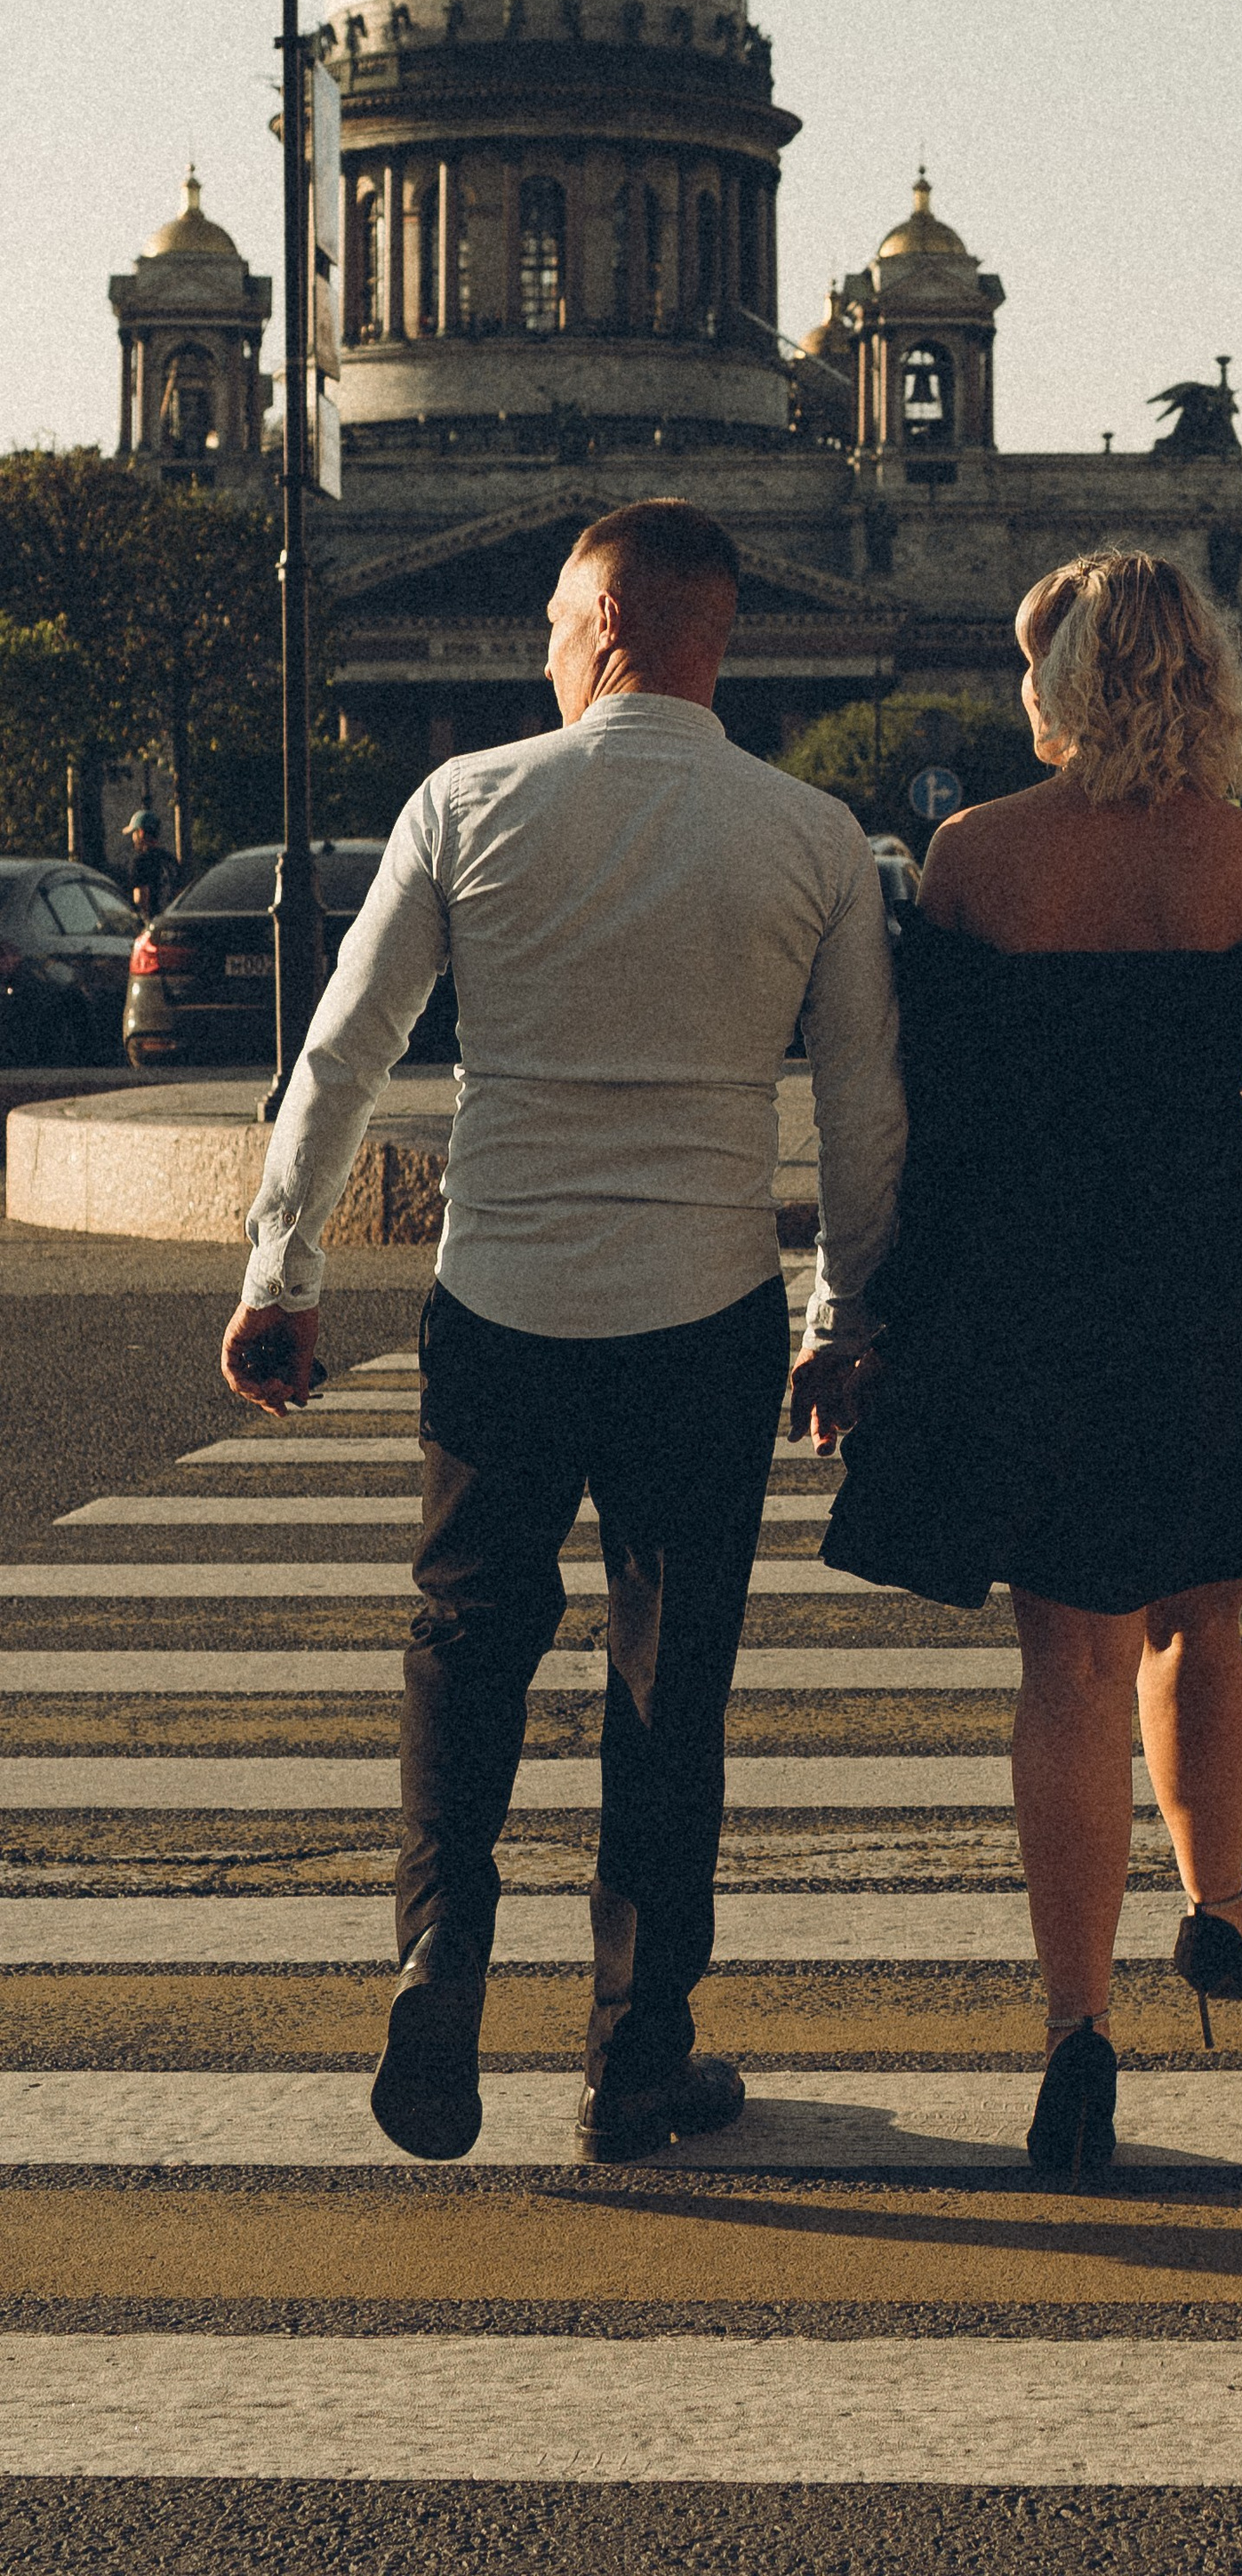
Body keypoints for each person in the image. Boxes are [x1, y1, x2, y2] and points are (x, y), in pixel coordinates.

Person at [220, 501, 904, 2164]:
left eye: (549, 622)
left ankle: (440, 1959)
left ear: (601, 621)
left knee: (465, 1645)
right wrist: (845, 1318)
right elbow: (865, 1113)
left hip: (501, 1310)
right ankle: (635, 2058)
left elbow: (343, 1052)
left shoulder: (466, 801)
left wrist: (282, 1274)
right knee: (672, 1686)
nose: (541, 649)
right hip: (706, 1316)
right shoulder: (813, 836)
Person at [816, 549, 1242, 2179]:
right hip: (1217, 1272)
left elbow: (933, 1130)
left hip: (1027, 1284)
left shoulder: (975, 855)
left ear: (1065, 680)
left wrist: (876, 1319)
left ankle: (1075, 2031)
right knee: (1203, 1616)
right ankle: (1218, 1905)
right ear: (1204, 676)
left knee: (1069, 1665)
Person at [120, 810, 177, 921]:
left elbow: (140, 899)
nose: (133, 838)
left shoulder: (140, 862)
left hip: (153, 923)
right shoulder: (171, 860)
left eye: (134, 833)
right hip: (171, 921)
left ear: (140, 833)